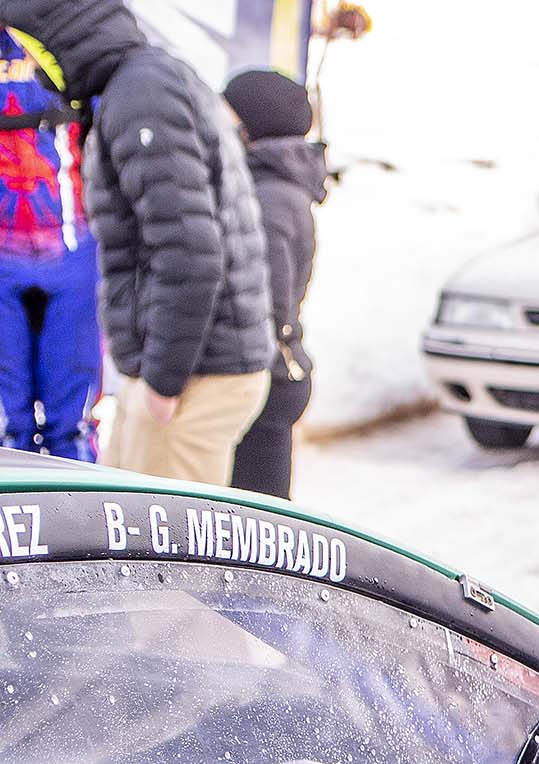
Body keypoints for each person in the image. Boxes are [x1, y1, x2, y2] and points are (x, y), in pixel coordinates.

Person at [14, 0, 270, 486]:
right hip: (180, 366)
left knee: (170, 552)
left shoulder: (142, 92)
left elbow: (188, 253)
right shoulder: (136, 85)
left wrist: (163, 381)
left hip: (194, 376)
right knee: (122, 532)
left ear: (63, 38)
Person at [0, 26, 100, 459]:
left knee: (74, 426)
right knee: (6, 428)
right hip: (4, 259)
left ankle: (80, 518)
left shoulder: (73, 30)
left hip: (72, 249)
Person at [224, 66, 323, 499]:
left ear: (252, 127)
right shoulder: (276, 188)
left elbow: (270, 304)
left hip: (266, 376)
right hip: (277, 369)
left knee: (255, 524)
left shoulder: (268, 199)